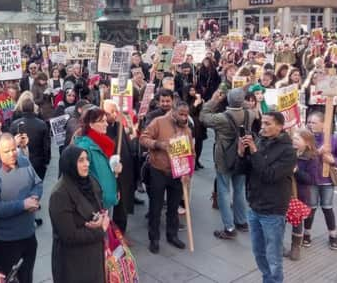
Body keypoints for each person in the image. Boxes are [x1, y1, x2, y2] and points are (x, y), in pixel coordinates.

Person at [235, 112, 296, 283]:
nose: (263, 127)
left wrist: (254, 152)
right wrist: (241, 153)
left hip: (273, 211)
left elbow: (269, 175)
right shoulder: (260, 141)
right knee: (258, 252)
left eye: (268, 124)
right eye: (262, 123)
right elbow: (241, 171)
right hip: (254, 206)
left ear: (280, 126)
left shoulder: (288, 151)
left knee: (274, 257)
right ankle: (267, 279)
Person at [0, 133, 43, 283]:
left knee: (27, 277)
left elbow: (37, 183)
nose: (12, 154)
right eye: (6, 151)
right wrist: (23, 205)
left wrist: (35, 197)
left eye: (14, 149)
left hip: (28, 235)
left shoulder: (24, 161)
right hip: (4, 241)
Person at [140, 102, 193, 254]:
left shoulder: (187, 130)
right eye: (181, 114)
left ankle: (172, 235)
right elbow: (143, 138)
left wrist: (187, 173)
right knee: (155, 207)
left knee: (173, 206)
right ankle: (154, 239)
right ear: (174, 112)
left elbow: (191, 153)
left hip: (177, 173)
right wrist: (158, 144)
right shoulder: (158, 122)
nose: (184, 118)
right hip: (158, 170)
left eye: (186, 115)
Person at [200, 88, 253, 239]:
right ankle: (241, 222)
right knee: (240, 188)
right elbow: (249, 106)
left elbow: (203, 117)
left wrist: (214, 100)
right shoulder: (251, 113)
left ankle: (229, 228)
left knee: (223, 190)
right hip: (242, 154)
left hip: (224, 156)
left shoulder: (221, 118)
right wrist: (240, 99)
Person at [49, 145, 107, 283]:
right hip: (73, 263)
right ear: (70, 163)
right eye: (81, 160)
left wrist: (102, 218)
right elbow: (68, 236)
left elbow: (100, 207)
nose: (86, 164)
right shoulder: (60, 194)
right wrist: (100, 229)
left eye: (87, 159)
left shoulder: (91, 181)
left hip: (93, 256)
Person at [304, 111, 337, 249]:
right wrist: (318, 152)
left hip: (327, 180)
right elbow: (301, 156)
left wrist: (333, 160)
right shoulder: (305, 138)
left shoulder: (333, 139)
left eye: (314, 122)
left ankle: (333, 235)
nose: (311, 125)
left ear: (323, 124)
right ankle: (306, 234)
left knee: (327, 208)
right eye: (309, 122)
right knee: (310, 208)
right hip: (311, 180)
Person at [74, 108, 121, 210]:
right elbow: (81, 177)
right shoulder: (85, 147)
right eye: (102, 121)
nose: (107, 124)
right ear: (91, 124)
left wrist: (115, 169)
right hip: (96, 203)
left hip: (107, 199)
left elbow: (103, 171)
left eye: (106, 120)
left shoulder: (104, 143)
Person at [286, 128, 318, 261]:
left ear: (307, 143)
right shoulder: (289, 152)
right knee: (280, 219)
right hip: (285, 192)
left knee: (297, 221)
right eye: (293, 138)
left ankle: (295, 247)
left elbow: (311, 179)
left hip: (300, 195)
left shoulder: (311, 158)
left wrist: (296, 171)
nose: (294, 140)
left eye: (297, 139)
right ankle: (277, 244)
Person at [103, 100, 135, 233]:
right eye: (112, 112)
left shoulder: (120, 126)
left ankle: (122, 233)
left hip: (124, 174)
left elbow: (128, 146)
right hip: (110, 175)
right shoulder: (102, 130)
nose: (115, 114)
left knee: (123, 207)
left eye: (116, 111)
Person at [10, 98, 51, 180]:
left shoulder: (14, 124)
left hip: (21, 161)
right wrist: (46, 160)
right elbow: (46, 145)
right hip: (38, 162)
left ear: (22, 108)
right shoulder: (42, 124)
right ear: (33, 108)